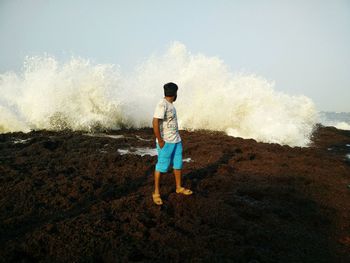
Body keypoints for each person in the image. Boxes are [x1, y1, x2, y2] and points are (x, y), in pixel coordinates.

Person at [152, 82, 193, 205]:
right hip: (166, 142)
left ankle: (179, 187)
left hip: (176, 141)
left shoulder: (170, 105)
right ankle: (156, 192)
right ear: (175, 93)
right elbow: (154, 122)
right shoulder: (162, 104)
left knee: (178, 165)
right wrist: (160, 140)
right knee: (161, 166)